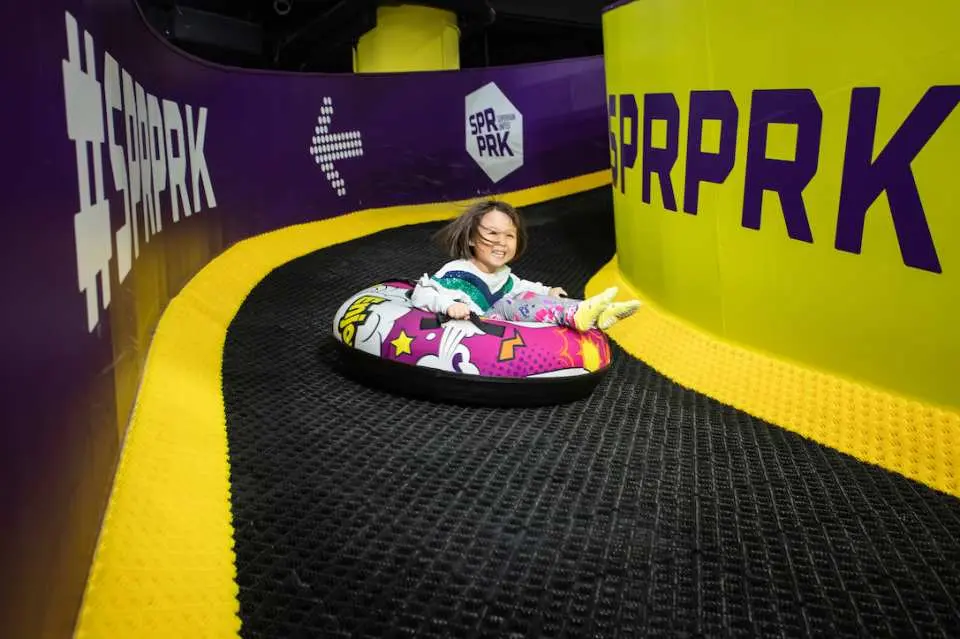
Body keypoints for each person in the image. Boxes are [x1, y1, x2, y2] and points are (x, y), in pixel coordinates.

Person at [410, 199, 642, 331]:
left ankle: (595, 311)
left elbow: (523, 286)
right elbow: (422, 292)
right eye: (492, 233)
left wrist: (548, 292)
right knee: (512, 303)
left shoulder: (504, 276)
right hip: (479, 326)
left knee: (528, 295)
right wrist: (448, 305)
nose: (501, 242)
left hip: (497, 321)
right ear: (471, 238)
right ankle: (575, 314)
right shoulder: (457, 272)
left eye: (510, 236)